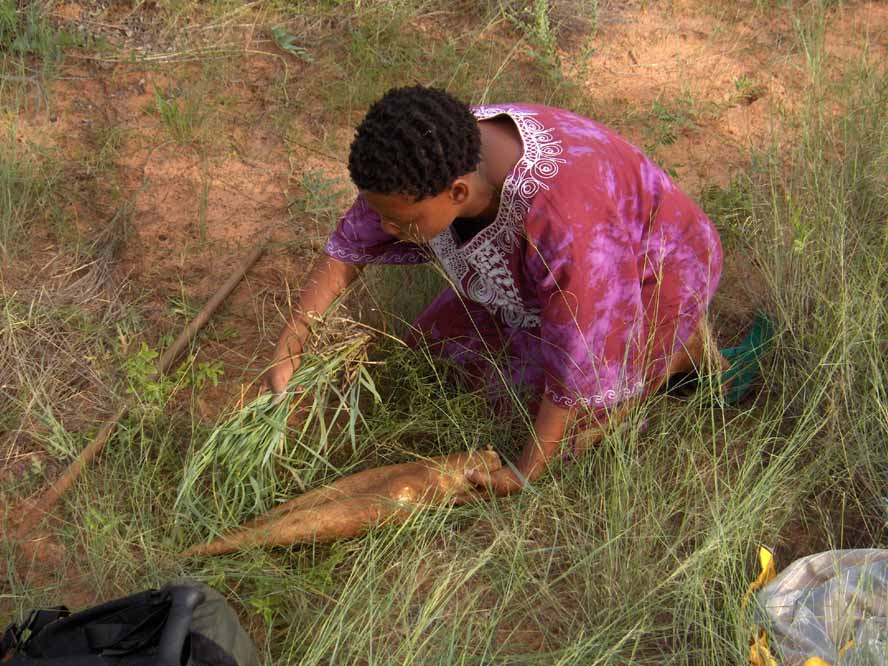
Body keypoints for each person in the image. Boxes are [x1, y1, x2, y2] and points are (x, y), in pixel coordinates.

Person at [261, 85, 725, 496]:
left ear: (458, 195)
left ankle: (677, 352)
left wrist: (525, 471)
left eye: (399, 222)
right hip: (553, 286)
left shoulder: (565, 222)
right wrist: (291, 345)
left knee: (543, 421)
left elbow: (581, 353)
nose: (384, 228)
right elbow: (351, 245)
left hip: (649, 276)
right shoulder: (431, 156)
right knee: (429, 355)